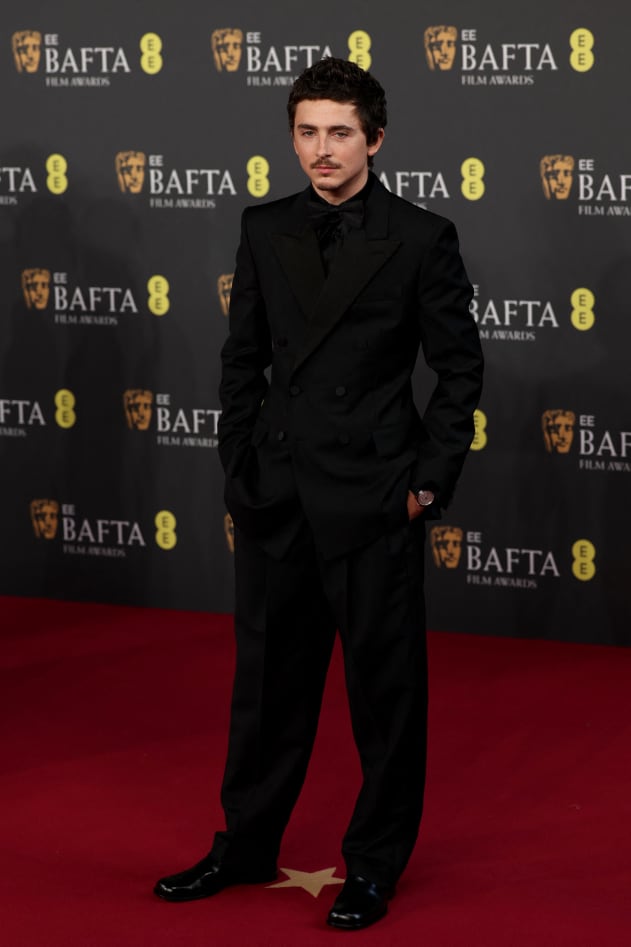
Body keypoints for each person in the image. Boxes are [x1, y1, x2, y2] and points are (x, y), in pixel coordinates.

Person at [154, 56, 483, 930]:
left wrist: (425, 486)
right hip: (277, 491)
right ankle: (246, 842)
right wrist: (239, 464)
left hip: (374, 498)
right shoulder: (263, 228)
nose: (321, 150)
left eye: (339, 132)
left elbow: (459, 372)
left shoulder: (420, 237)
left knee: (384, 693)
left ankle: (372, 864)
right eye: (306, 132)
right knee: (265, 685)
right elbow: (242, 358)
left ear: (374, 138)